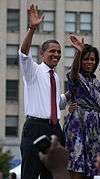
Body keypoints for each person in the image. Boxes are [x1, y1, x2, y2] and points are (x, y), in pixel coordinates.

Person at [19, 4, 66, 179]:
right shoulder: (33, 71)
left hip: (55, 129)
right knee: (30, 174)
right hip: (35, 128)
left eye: (59, 52)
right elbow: (23, 53)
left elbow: (56, 103)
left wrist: (68, 98)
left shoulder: (56, 77)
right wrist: (32, 28)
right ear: (42, 54)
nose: (56, 54)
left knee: (53, 175)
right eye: (52, 51)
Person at [64, 35, 100, 179]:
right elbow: (73, 73)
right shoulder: (76, 77)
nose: (89, 62)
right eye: (86, 59)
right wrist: (78, 52)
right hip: (78, 124)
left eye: (92, 59)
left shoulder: (95, 81)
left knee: (91, 169)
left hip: (94, 128)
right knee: (76, 165)